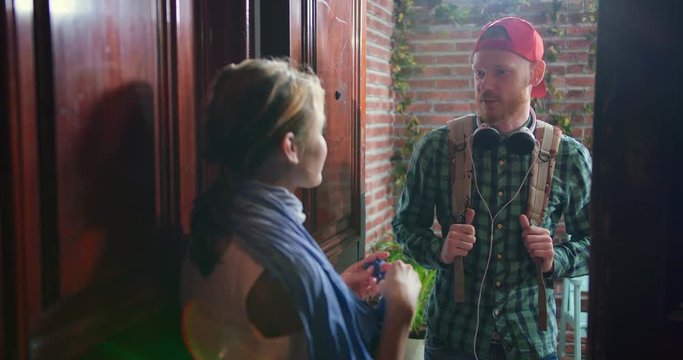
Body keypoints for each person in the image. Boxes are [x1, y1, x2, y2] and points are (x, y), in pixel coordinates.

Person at [180, 58, 422, 360]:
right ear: (291, 147)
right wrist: (401, 313)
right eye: (319, 130)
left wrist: (335, 288)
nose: (325, 143)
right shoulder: (282, 269)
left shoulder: (225, 217)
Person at [392, 17, 591, 360]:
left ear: (536, 74)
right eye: (480, 73)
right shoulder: (436, 149)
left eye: (501, 72)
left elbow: (595, 240)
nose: (486, 85)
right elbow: (405, 226)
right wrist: (440, 252)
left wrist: (555, 258)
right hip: (453, 340)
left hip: (530, 342)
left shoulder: (570, 157)